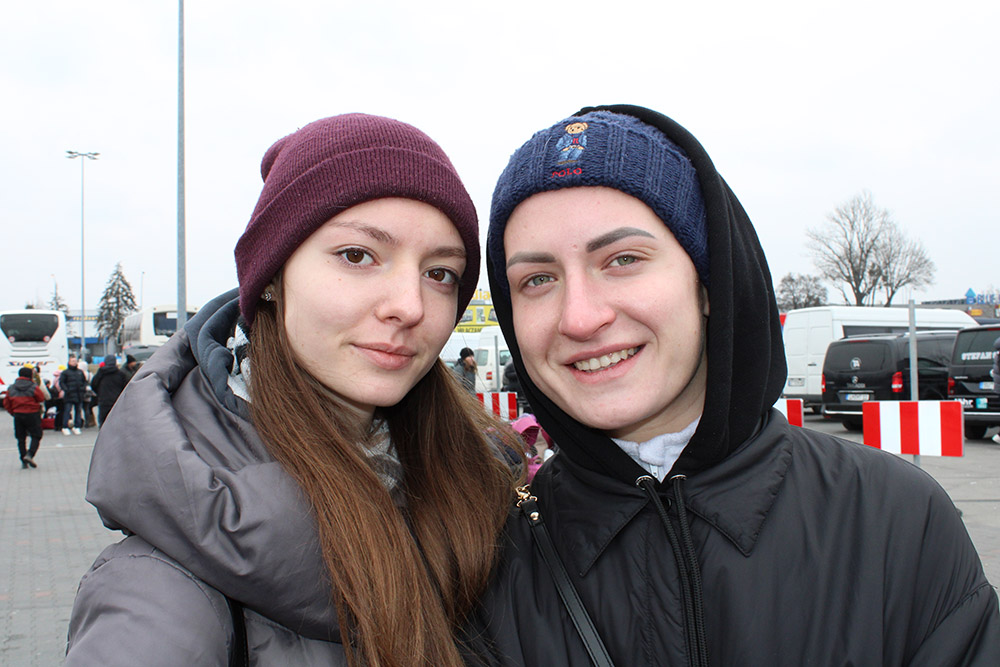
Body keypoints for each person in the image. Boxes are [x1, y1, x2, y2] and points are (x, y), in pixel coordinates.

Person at [472, 106, 1000, 665]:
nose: (579, 318)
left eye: (623, 259)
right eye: (538, 279)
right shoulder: (482, 555)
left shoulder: (897, 520)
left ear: (707, 282)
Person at [65, 114, 520, 665]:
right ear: (274, 278)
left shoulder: (485, 489)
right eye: (358, 255)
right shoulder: (159, 591)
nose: (411, 305)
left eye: (440, 273)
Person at [4, 366, 49, 468]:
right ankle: (30, 454)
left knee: (21, 438)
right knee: (36, 435)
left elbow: (6, 403)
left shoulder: (11, 388)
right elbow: (41, 398)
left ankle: (23, 460)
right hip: (32, 414)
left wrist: (13, 412)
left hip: (18, 415)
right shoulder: (33, 387)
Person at [89, 355, 129, 427]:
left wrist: (99, 393)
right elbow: (125, 387)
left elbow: (93, 385)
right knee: (116, 422)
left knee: (103, 422)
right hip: (117, 401)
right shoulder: (120, 374)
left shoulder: (100, 373)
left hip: (103, 400)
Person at [59, 355, 87, 435]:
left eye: (75, 361)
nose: (74, 363)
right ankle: (65, 427)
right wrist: (66, 390)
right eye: (72, 361)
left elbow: (84, 381)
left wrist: (83, 388)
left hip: (79, 395)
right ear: (69, 362)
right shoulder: (65, 372)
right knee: (67, 411)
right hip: (69, 395)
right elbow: (62, 382)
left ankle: (77, 426)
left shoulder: (80, 372)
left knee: (78, 411)